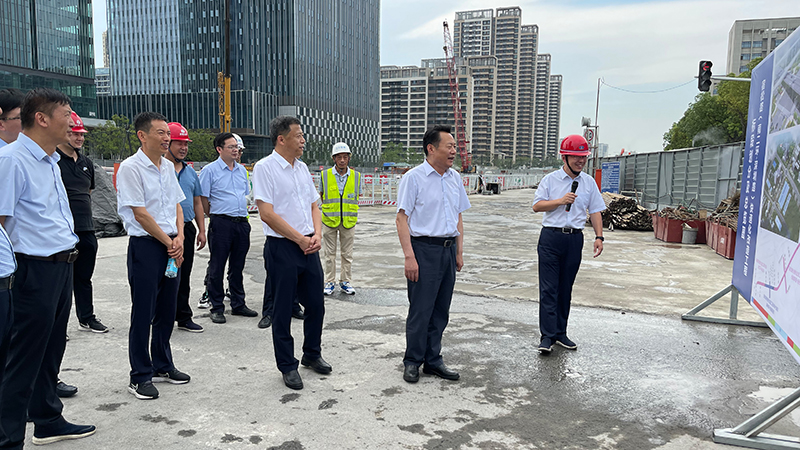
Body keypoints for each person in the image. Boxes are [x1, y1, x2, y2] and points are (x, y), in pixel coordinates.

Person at [0, 88, 96, 446]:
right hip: (31, 271)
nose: (72, 121)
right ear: (41, 118)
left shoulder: (50, 160)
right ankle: (8, 439)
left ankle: (47, 419)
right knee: (22, 360)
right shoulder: (12, 161)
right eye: (66, 114)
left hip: (60, 267)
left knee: (50, 351)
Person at [117, 112, 191, 400]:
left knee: (167, 309)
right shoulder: (131, 168)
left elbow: (177, 206)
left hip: (171, 245)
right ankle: (139, 375)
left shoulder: (167, 167)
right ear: (142, 135)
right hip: (147, 247)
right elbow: (140, 214)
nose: (166, 138)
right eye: (160, 133)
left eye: (167, 133)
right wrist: (169, 241)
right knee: (143, 312)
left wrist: (180, 238)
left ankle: (162, 364)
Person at [252, 116, 329, 390]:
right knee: (283, 309)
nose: (303, 140)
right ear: (281, 139)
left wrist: (316, 234)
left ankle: (312, 353)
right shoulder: (265, 168)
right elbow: (267, 214)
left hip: (309, 246)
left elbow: (314, 205)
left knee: (316, 305)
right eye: (298, 135)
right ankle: (287, 365)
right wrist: (299, 239)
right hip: (283, 247)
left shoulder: (302, 168)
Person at [395, 125, 470, 384]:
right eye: (449, 146)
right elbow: (401, 219)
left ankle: (433, 359)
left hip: (448, 250)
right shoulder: (414, 178)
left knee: (441, 310)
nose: (454, 151)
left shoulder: (454, 178)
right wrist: (409, 256)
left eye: (454, 147)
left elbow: (458, 216)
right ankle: (412, 361)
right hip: (423, 250)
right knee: (421, 309)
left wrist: (459, 251)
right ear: (431, 148)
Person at [531, 134, 606, 354]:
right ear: (564, 157)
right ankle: (547, 336)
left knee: (565, 287)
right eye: (576, 157)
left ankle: (560, 332)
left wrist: (599, 237)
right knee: (549, 289)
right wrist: (560, 201)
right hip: (551, 237)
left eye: (583, 157)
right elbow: (537, 206)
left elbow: (595, 210)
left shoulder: (588, 182)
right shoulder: (550, 180)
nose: (581, 161)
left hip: (574, 239)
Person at [56, 112, 108, 334]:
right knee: (61, 281)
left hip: (86, 228)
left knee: (84, 277)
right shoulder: (54, 160)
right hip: (63, 231)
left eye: (82, 134)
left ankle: (86, 317)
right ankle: (57, 326)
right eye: (74, 134)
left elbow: (88, 192)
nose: (80, 138)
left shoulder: (86, 163)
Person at [199, 133, 257, 324]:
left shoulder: (241, 170)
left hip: (241, 223)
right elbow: (203, 199)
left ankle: (238, 303)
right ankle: (216, 307)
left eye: (237, 147)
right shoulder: (210, 171)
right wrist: (214, 216)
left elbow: (245, 194)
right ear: (219, 149)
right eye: (231, 147)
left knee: (237, 266)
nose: (236, 150)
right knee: (217, 266)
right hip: (221, 223)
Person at [165, 122, 206, 333]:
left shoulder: (190, 173)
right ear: (168, 143)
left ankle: (183, 316)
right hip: (164, 230)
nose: (184, 148)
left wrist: (202, 230)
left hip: (187, 229)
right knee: (162, 276)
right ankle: (160, 316)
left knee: (184, 273)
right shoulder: (159, 169)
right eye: (179, 143)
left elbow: (197, 201)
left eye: (186, 144)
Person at [320, 142, 361, 296]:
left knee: (347, 254)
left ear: (349, 158)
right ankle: (329, 281)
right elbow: (321, 195)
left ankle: (345, 281)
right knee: (329, 254)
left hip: (348, 221)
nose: (342, 160)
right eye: (339, 157)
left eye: (345, 157)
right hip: (329, 220)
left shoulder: (356, 176)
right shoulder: (325, 175)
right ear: (334, 158)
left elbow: (357, 196)